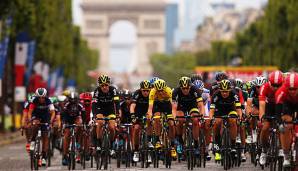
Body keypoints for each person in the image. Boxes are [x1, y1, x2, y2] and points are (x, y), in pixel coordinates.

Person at [172, 77, 205, 159]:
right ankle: (180, 140)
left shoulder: (195, 89)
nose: (185, 90)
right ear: (180, 87)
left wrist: (202, 115)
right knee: (180, 120)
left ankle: (196, 144)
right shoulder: (176, 92)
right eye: (183, 88)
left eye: (187, 88)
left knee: (195, 120)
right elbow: (174, 108)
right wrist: (174, 117)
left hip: (192, 106)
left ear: (190, 86)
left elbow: (200, 105)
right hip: (181, 107)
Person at [209, 80, 242, 162]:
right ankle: (217, 147)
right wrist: (210, 118)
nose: (224, 93)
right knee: (217, 123)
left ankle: (233, 145)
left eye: (226, 91)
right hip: (219, 110)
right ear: (220, 90)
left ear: (230, 90)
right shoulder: (216, 95)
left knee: (233, 121)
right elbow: (212, 110)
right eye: (223, 91)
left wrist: (240, 117)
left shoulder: (234, 94)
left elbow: (238, 108)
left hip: (231, 110)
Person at [259, 70, 284, 166]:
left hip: (281, 105)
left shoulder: (285, 88)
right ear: (269, 82)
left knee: (283, 126)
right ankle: (264, 151)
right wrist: (262, 118)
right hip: (269, 105)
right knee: (265, 128)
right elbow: (262, 105)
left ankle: (282, 148)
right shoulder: (264, 87)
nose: (276, 88)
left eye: (278, 85)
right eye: (273, 85)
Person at [147, 79, 177, 159]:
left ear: (165, 88)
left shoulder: (168, 91)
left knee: (171, 123)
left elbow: (173, 107)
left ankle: (173, 146)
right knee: (156, 119)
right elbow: (150, 107)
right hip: (157, 105)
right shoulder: (152, 92)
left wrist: (174, 117)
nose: (160, 92)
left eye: (161, 90)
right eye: (158, 91)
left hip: (167, 105)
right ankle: (157, 140)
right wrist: (149, 115)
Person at [92, 74, 120, 156]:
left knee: (112, 127)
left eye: (106, 85)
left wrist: (117, 114)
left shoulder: (113, 90)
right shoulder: (97, 91)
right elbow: (94, 104)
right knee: (100, 123)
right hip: (100, 109)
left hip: (110, 109)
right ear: (100, 86)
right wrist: (94, 115)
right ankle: (98, 144)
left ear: (109, 85)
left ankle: (111, 146)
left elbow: (117, 103)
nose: (104, 87)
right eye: (102, 85)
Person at [28, 88, 55, 166]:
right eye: (39, 97)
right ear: (37, 97)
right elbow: (30, 112)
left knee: (45, 136)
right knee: (35, 125)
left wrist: (51, 121)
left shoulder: (48, 101)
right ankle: (33, 140)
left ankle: (43, 156)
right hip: (36, 116)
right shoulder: (34, 101)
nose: (41, 99)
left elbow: (53, 112)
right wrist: (31, 120)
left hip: (45, 117)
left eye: (43, 97)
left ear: (45, 96)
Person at [275, 72, 298, 167]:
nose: (292, 91)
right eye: (290, 89)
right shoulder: (281, 91)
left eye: (295, 89)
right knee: (285, 123)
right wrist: (280, 123)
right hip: (287, 104)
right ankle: (286, 155)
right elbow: (278, 111)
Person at [130, 80, 152, 162]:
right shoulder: (137, 93)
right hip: (138, 112)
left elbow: (154, 106)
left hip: (148, 111)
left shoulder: (151, 94)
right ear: (140, 89)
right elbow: (132, 106)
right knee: (136, 128)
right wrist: (132, 116)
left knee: (150, 122)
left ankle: (149, 142)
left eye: (147, 90)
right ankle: (136, 151)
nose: (146, 92)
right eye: (144, 90)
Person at [61, 92, 85, 165]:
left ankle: (78, 142)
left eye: (75, 100)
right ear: (69, 100)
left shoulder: (80, 105)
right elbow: (63, 115)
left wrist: (83, 124)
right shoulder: (66, 105)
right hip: (68, 119)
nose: (73, 102)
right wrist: (64, 124)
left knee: (80, 126)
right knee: (66, 136)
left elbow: (83, 114)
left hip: (76, 119)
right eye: (72, 100)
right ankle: (65, 155)